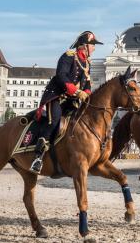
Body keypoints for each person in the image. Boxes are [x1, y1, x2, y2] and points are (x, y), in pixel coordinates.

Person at [29, 31, 103, 173]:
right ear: (84, 46)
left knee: (80, 121)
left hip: (72, 100)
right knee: (55, 120)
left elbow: (87, 84)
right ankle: (38, 157)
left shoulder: (87, 63)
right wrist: (77, 92)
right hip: (56, 96)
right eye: (92, 45)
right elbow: (61, 76)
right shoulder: (69, 56)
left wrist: (86, 94)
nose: (94, 48)